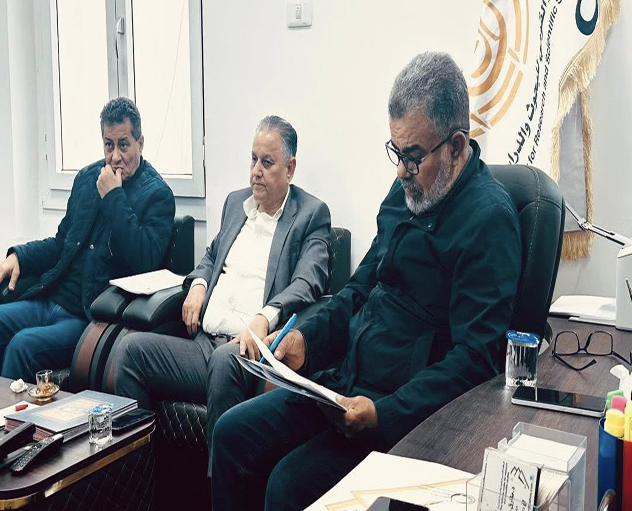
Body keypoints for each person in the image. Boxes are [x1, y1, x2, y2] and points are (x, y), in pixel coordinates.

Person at [210, 52, 523, 511]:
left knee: (287, 485)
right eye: (396, 152)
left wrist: (384, 414)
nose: (400, 172)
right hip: (344, 385)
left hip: (402, 409)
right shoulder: (406, 192)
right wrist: (307, 339)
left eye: (413, 158)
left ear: (457, 147)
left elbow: (476, 360)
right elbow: (358, 291)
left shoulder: (489, 220)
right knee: (231, 434)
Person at [110, 115, 331, 421]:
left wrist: (264, 318)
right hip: (203, 345)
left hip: (249, 352)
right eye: (253, 159)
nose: (256, 171)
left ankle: (218, 457)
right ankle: (141, 453)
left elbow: (308, 282)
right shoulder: (236, 203)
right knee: (129, 351)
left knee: (224, 362)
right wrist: (198, 285)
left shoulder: (311, 214)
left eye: (267, 163)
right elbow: (212, 256)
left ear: (289, 168)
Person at [0, 97, 175, 382]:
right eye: (108, 145)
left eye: (123, 145)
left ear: (140, 143)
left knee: (23, 345)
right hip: (50, 298)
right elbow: (62, 243)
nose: (115, 156)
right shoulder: (87, 179)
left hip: (89, 318)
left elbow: (146, 260)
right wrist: (19, 256)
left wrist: (114, 196)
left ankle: (10, 413)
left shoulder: (157, 195)